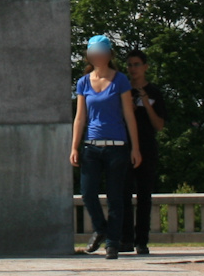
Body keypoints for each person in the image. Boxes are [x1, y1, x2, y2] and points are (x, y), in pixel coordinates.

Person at [70, 35, 141, 260]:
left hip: (117, 146)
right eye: (94, 52)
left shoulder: (120, 80)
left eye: (102, 51)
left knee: (115, 198)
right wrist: (74, 146)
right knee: (88, 193)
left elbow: (129, 116)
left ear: (109, 54)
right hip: (92, 146)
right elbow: (80, 117)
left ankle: (112, 244)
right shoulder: (83, 82)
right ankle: (101, 228)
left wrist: (135, 148)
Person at [120, 49, 166, 255]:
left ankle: (142, 241)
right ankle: (126, 239)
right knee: (123, 195)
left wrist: (146, 102)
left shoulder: (155, 92)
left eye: (137, 64)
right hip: (125, 147)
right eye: (130, 65)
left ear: (145, 67)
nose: (133, 69)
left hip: (147, 148)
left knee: (144, 196)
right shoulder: (121, 91)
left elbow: (159, 125)